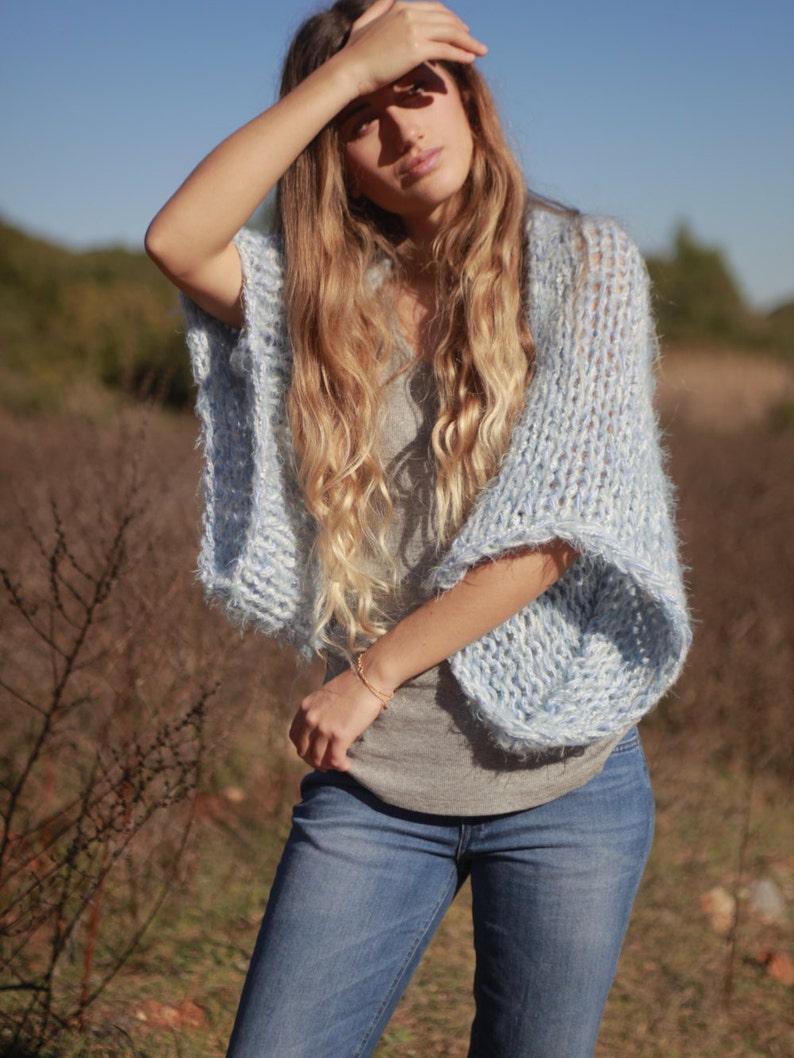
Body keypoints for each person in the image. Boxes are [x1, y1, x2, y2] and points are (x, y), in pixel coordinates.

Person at [146, 1, 691, 1055]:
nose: (400, 129)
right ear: (333, 155)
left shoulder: (587, 266)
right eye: (366, 115)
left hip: (566, 785)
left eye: (419, 90)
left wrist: (371, 671)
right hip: (376, 788)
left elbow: (556, 530)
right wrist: (345, 71)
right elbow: (177, 238)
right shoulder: (320, 296)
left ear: (469, 102)